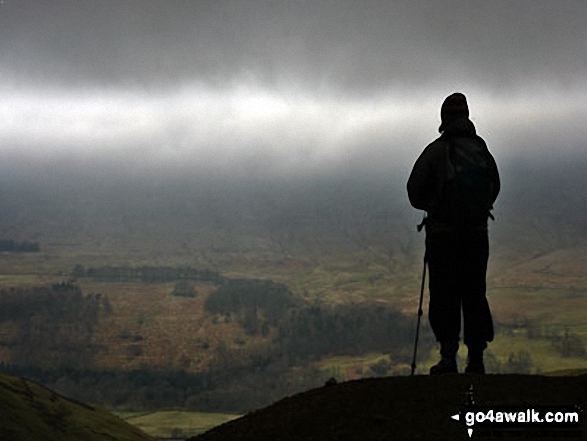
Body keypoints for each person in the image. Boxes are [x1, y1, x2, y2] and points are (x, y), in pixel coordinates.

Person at [407, 93, 500, 375]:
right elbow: (494, 186)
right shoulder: (481, 149)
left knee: (445, 292)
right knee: (474, 291)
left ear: (444, 118)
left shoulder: (436, 151)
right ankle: (476, 359)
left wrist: (435, 205)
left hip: (443, 235)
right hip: (476, 234)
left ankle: (448, 357)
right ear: (467, 116)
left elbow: (413, 192)